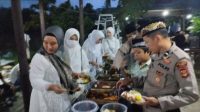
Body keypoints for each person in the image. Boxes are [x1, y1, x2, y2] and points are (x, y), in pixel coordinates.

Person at [137, 17, 199, 112]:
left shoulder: (180, 60)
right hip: (147, 107)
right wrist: (130, 80)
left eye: (147, 42)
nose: (146, 46)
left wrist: (159, 102)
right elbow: (151, 78)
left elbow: (191, 95)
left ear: (157, 39)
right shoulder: (156, 55)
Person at [29, 26, 80, 112]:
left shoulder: (55, 55)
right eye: (45, 42)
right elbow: (34, 80)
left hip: (58, 95)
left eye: (53, 43)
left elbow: (60, 69)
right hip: (45, 98)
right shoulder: (39, 58)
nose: (48, 47)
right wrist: (50, 86)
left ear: (59, 42)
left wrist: (72, 73)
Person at [116, 39, 151, 112]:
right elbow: (130, 76)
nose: (135, 55)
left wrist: (130, 80)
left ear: (148, 52)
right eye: (134, 52)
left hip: (144, 99)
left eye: (138, 52)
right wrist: (123, 70)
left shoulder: (152, 66)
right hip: (132, 96)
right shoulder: (136, 63)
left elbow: (145, 80)